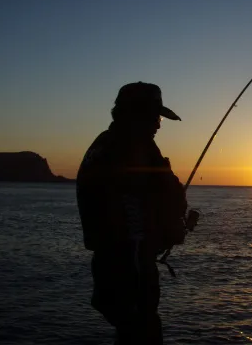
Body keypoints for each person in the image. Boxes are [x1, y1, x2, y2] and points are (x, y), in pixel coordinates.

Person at [76, 82, 188, 344]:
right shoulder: (137, 146)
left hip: (107, 265)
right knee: (143, 331)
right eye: (155, 117)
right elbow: (169, 194)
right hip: (130, 266)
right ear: (138, 115)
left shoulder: (102, 144)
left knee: (128, 331)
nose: (158, 125)